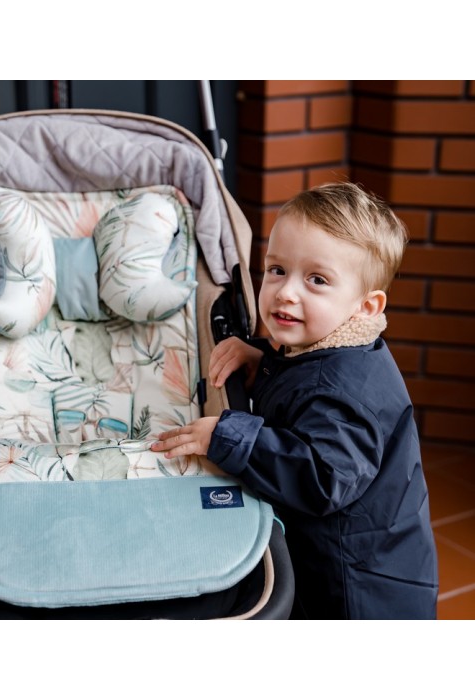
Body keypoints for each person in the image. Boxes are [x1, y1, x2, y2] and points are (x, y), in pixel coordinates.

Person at [152, 181, 438, 620]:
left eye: (317, 280)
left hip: (356, 593)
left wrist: (227, 435)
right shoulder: (327, 349)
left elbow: (322, 476)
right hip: (342, 563)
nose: (286, 291)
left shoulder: (344, 390)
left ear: (365, 306)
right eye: (277, 269)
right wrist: (263, 358)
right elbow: (303, 383)